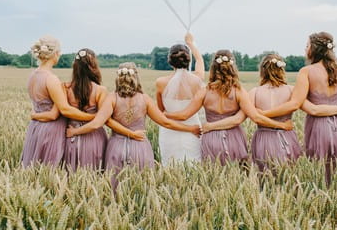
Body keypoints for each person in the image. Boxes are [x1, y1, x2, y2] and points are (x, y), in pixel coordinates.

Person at [257, 32, 337, 183]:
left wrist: (264, 113)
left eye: (307, 46)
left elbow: (295, 104)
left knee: (322, 172)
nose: (305, 50)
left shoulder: (307, 72)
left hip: (319, 128)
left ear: (314, 49)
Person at [66, 62, 201, 177]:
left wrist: (74, 132)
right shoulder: (145, 99)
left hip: (116, 148)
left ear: (118, 78)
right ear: (136, 77)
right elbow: (165, 122)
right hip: (140, 146)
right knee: (142, 185)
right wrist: (189, 128)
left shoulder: (112, 98)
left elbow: (96, 124)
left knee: (114, 187)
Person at [165, 50, 293, 165]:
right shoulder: (239, 91)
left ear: (213, 68)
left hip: (211, 138)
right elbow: (252, 117)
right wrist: (281, 125)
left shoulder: (204, 91)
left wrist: (163, 114)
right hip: (234, 138)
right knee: (238, 175)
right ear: (232, 68)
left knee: (212, 176)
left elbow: (183, 115)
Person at [32, 48, 144, 171]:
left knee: (70, 176)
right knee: (95, 176)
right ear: (93, 67)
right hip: (94, 139)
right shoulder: (100, 90)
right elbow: (104, 119)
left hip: (71, 137)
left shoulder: (65, 87)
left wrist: (35, 115)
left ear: (75, 67)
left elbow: (63, 111)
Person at [250, 53, 337, 171]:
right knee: (288, 177)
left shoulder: (254, 92)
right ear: (282, 69)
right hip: (286, 137)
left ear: (262, 71)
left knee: (262, 175)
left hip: (263, 139)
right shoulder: (292, 90)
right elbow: (314, 110)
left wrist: (263, 114)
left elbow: (254, 116)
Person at [21, 36, 110, 167]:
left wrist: (35, 115)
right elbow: (62, 110)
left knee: (34, 167)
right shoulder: (52, 80)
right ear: (55, 54)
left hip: (35, 128)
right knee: (49, 168)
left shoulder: (33, 76)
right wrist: (94, 117)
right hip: (52, 130)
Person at [155, 33, 204, 165]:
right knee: (194, 166)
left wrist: (166, 114)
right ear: (188, 60)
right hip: (193, 130)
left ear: (170, 61)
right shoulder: (197, 80)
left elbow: (161, 110)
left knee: (170, 165)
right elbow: (199, 60)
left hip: (169, 131)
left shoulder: (160, 82)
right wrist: (191, 43)